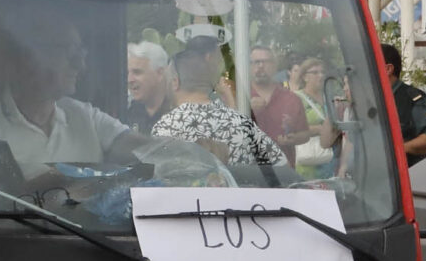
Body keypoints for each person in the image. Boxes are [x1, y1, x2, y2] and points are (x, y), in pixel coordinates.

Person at [0, 19, 135, 180]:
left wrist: (164, 150)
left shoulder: (86, 117)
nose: (80, 65)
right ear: (28, 55)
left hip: (88, 231)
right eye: (69, 52)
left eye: (80, 53)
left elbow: (146, 150)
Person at [152, 31, 285, 168]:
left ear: (175, 82)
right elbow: (280, 166)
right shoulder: (241, 124)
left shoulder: (167, 127)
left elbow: (157, 179)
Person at [246, 45, 311, 161]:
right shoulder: (240, 98)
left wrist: (293, 138)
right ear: (248, 66)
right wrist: (246, 110)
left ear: (275, 66)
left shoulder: (291, 99)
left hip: (283, 172)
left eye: (266, 62)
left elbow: (305, 135)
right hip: (249, 170)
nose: (260, 66)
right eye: (256, 62)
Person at [383, 44, 426, 164]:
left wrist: (398, 149)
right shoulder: (370, 100)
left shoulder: (412, 99)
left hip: (402, 177)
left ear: (388, 69)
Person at [123, 40, 173, 131]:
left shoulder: (179, 114)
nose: (129, 79)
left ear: (159, 73)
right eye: (127, 73)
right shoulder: (129, 113)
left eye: (137, 72)